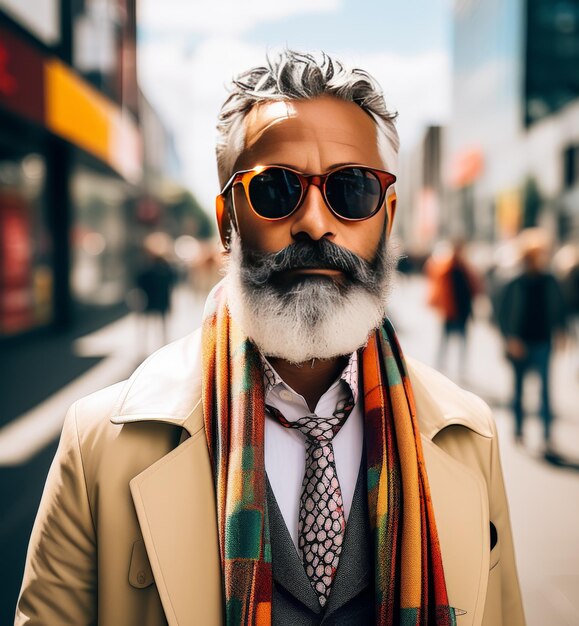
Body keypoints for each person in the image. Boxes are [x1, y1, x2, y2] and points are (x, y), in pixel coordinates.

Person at [16, 51, 525, 626]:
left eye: (351, 190)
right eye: (276, 189)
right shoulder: (98, 447)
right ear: (227, 219)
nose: (313, 221)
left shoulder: (468, 436)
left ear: (388, 216)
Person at [496, 228, 566, 452]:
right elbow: (500, 313)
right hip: (520, 343)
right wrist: (509, 339)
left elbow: (559, 308)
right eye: (535, 254)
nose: (539, 259)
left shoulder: (549, 280)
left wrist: (561, 331)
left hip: (543, 341)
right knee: (518, 390)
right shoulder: (514, 281)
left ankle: (546, 436)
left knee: (545, 391)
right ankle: (518, 429)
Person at [427, 239, 482, 380]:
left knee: (462, 341)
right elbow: (434, 279)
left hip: (463, 311)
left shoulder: (466, 267)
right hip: (450, 311)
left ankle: (461, 368)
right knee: (444, 341)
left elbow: (475, 287)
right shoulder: (446, 266)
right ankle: (439, 366)